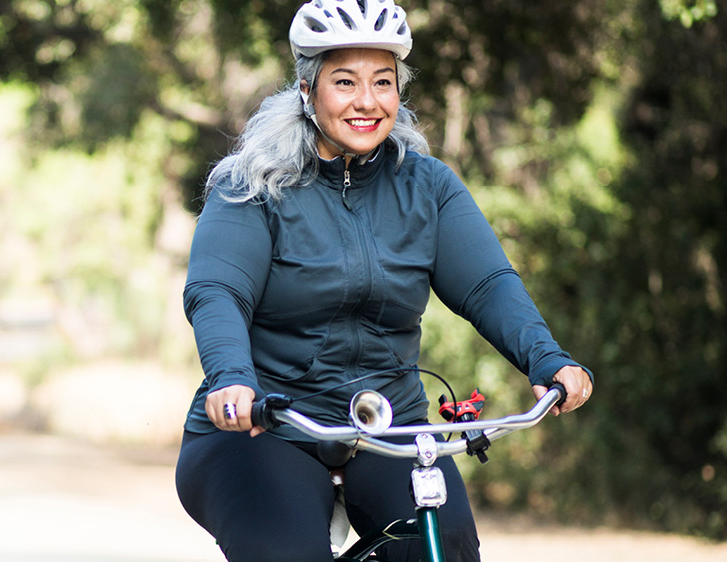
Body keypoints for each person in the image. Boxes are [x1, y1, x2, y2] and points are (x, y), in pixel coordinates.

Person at [175, 1, 594, 561]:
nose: (367, 101)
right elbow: (217, 291)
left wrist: (546, 359)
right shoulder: (250, 183)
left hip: (389, 430)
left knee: (445, 545)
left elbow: (489, 285)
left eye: (383, 82)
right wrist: (232, 380)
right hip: (265, 426)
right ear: (306, 88)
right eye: (344, 81)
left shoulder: (427, 186)